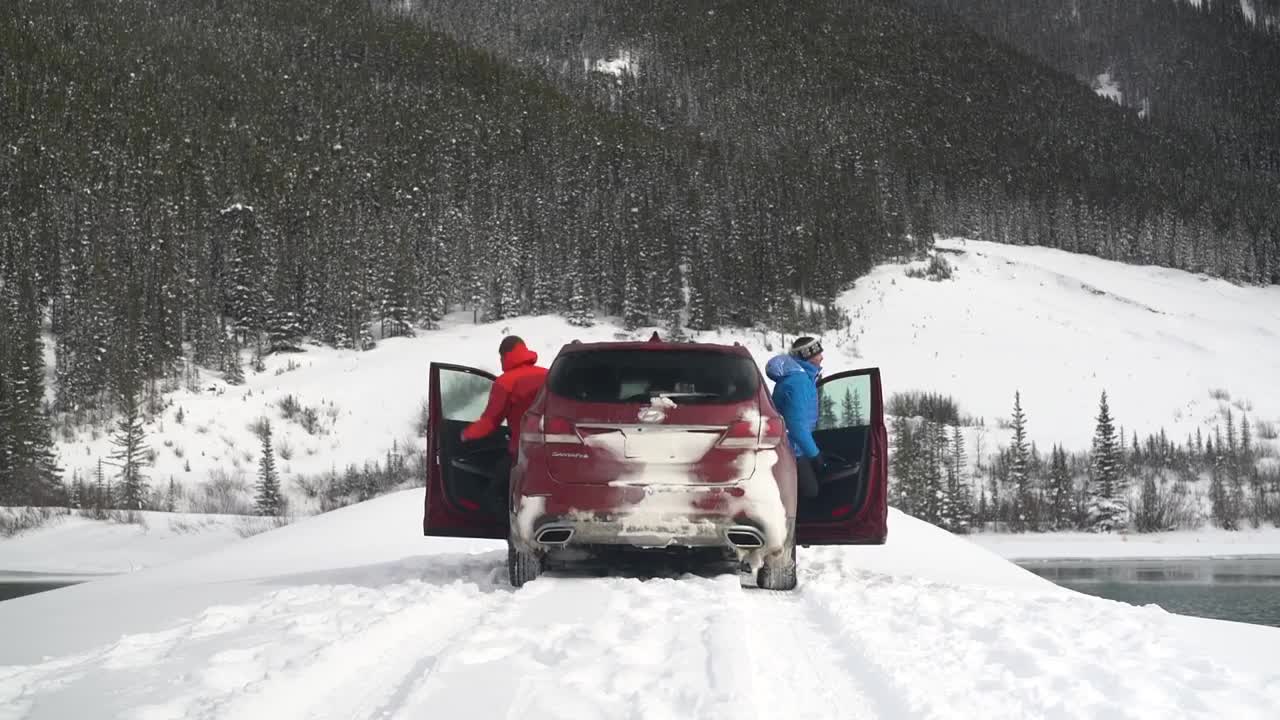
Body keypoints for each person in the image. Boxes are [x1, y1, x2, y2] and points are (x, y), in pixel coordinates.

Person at [461, 335, 548, 514]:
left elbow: (490, 422)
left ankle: (508, 530)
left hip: (522, 453)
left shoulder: (506, 382)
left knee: (494, 495)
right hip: (553, 451)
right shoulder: (548, 375)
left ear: (505, 355)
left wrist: (466, 434)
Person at [765, 335, 825, 500]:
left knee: (801, 491)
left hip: (790, 446)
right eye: (818, 354)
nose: (822, 357)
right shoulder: (799, 382)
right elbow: (796, 426)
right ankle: (796, 525)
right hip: (791, 449)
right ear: (809, 357)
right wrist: (815, 455)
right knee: (809, 492)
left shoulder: (801, 378)